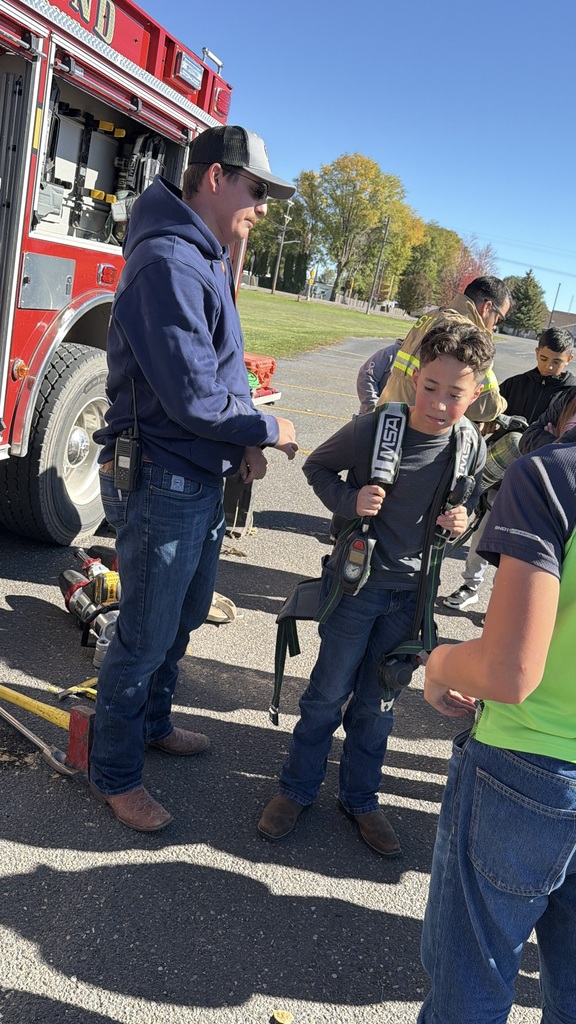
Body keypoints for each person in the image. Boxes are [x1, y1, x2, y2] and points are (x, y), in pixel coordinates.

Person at [89, 125, 298, 832]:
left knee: (177, 623)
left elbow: (219, 375)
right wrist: (271, 429)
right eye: (257, 190)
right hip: (163, 478)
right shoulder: (171, 263)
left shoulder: (202, 256)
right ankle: (114, 773)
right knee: (143, 637)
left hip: (196, 473)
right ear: (215, 178)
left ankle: (152, 725)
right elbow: (194, 398)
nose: (263, 206)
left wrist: (239, 443)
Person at [258, 321, 493, 856]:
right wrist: (350, 501)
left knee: (379, 702)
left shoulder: (469, 446)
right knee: (326, 695)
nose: (438, 403)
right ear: (415, 381)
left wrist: (461, 520)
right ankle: (296, 789)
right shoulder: (375, 429)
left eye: (454, 394)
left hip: (410, 601)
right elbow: (317, 467)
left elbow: (471, 499)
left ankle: (360, 797)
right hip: (357, 589)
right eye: (430, 387)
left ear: (474, 394)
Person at [417, 432, 576, 1024]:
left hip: (529, 768)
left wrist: (438, 664)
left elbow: (510, 671)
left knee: (471, 988)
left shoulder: (553, 477)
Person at [444, 325, 576, 610]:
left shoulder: (569, 393)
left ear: (570, 359)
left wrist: (544, 438)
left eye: (557, 361)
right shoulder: (517, 384)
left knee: (518, 552)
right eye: (544, 358)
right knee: (483, 534)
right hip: (502, 477)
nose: (549, 366)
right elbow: (496, 421)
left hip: (543, 488)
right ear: (536, 352)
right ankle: (470, 585)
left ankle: (500, 604)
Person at [378, 276, 513, 423]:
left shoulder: (432, 316)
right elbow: (484, 407)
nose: (494, 327)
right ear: (487, 307)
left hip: (386, 415)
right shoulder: (467, 335)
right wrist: (502, 408)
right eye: (498, 319)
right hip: (417, 426)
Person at [356, 340, 402, 414]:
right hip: (373, 415)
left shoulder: (424, 361)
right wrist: (374, 407)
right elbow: (366, 377)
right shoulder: (391, 353)